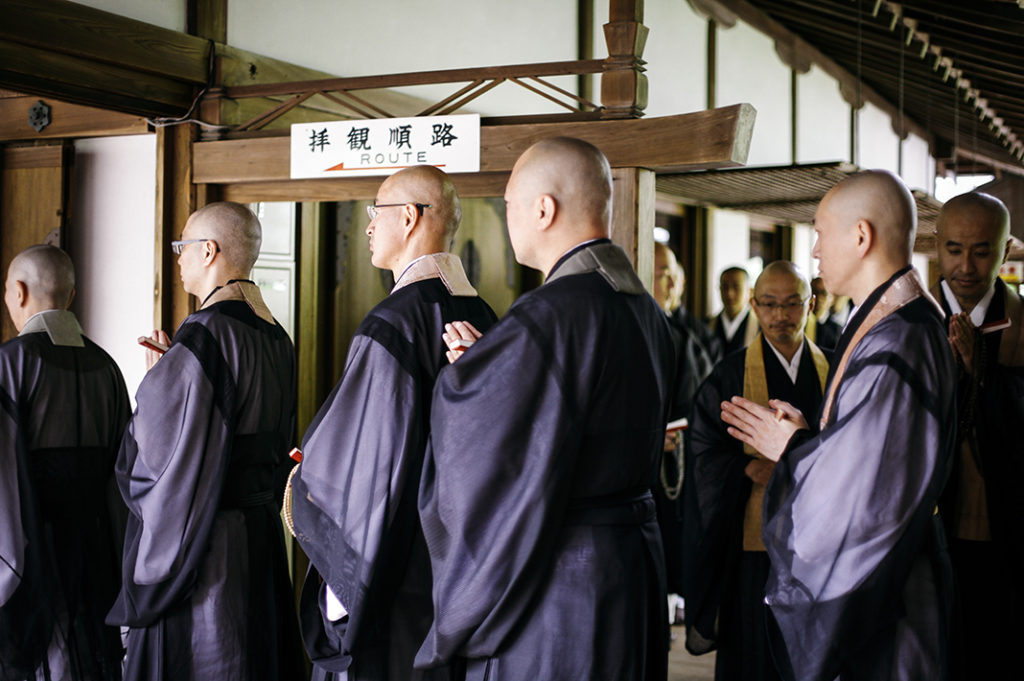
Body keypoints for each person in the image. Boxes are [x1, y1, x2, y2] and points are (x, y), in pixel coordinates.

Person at [418, 137, 675, 680]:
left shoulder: (552, 311)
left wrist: (466, 378)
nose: (506, 215)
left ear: (543, 208)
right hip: (633, 560)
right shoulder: (644, 308)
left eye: (509, 203)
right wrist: (496, 367)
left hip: (565, 574)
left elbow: (485, 446)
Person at [721, 170, 956, 680]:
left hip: (890, 583)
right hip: (897, 571)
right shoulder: (895, 319)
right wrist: (818, 435)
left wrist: (796, 447)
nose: (816, 252)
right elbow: (873, 449)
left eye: (821, 233)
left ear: (862, 236)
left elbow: (867, 488)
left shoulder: (902, 338)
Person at [287, 166, 497, 681]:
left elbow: (361, 474)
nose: (367, 227)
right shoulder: (487, 315)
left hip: (398, 562)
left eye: (374, 213)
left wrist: (306, 476)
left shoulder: (393, 321)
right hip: (464, 560)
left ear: (408, 217)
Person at [106, 202, 305, 681]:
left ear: (209, 251)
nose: (178, 259)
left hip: (208, 542)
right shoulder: (276, 334)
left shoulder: (206, 331)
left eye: (182, 247)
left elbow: (157, 454)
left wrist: (155, 383)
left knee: (209, 657)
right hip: (259, 532)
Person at [682, 261, 828, 681]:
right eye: (769, 304)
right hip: (752, 540)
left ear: (811, 304)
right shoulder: (729, 374)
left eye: (792, 304)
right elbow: (704, 449)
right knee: (751, 650)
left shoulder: (834, 370)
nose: (780, 316)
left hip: (816, 540)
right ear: (754, 304)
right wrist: (745, 466)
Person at [0, 245, 129, 681]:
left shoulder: (9, 364)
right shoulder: (108, 368)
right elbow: (124, 480)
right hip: (97, 554)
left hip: (29, 554)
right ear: (71, 296)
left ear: (17, 292)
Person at [930, 191, 1023, 681]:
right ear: (935, 245)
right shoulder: (911, 320)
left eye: (982, 250)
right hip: (921, 530)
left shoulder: (1021, 323)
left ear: (1007, 250)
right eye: (954, 249)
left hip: (999, 529)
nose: (965, 266)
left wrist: (980, 370)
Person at [652, 242, 711, 616]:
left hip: (671, 466)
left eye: (673, 274)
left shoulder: (683, 336)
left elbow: (697, 404)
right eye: (661, 273)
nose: (669, 283)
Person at [709, 267, 758, 357]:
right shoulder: (707, 326)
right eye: (725, 287)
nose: (729, 294)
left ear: (750, 291)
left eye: (736, 287)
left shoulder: (761, 327)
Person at [804, 276, 841, 351]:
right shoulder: (799, 324)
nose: (818, 298)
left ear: (832, 299)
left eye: (824, 293)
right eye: (814, 292)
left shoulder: (837, 331)